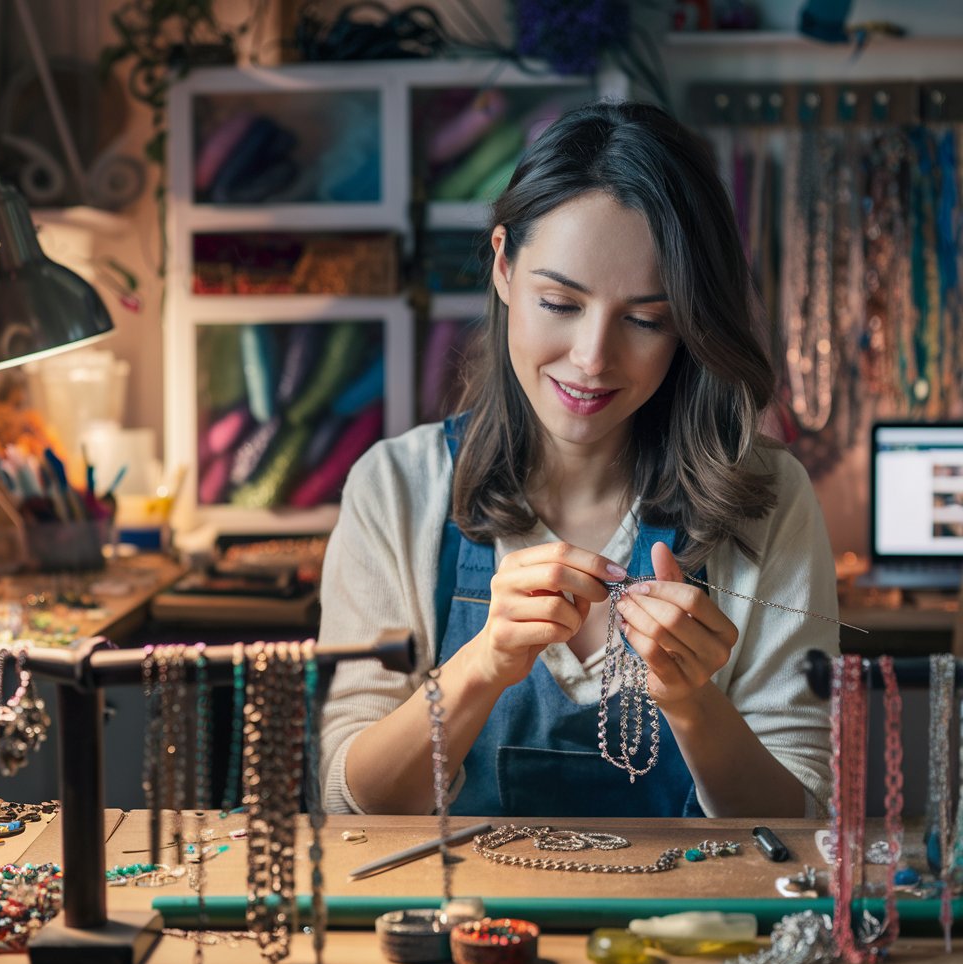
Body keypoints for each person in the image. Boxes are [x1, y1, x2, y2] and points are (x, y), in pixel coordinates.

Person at [318, 99, 839, 819]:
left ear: (688, 323)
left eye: (646, 319)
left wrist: (691, 703)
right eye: (560, 303)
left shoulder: (770, 498)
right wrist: (481, 669)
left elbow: (805, 819)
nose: (593, 360)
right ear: (503, 266)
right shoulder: (397, 488)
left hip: (693, 934)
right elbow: (352, 805)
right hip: (468, 933)